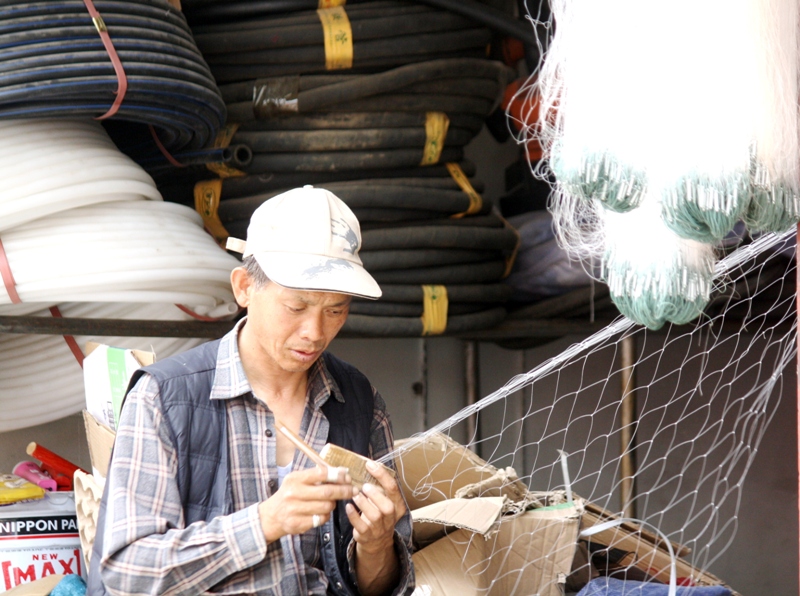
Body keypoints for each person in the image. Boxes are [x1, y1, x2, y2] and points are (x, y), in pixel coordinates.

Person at [87, 186, 415, 595]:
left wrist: (377, 544)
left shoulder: (360, 403)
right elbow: (126, 572)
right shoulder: (165, 399)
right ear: (244, 287)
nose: (314, 333)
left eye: (336, 310)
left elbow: (379, 587)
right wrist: (264, 523)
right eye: (296, 307)